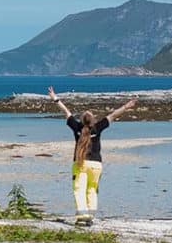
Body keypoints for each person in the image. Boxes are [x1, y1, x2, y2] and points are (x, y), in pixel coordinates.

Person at [48, 86, 137, 226]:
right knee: (92, 190)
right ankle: (90, 216)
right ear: (93, 120)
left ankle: (82, 215)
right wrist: (126, 106)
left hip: (80, 164)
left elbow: (66, 112)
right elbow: (114, 115)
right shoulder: (98, 127)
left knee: (79, 189)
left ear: (82, 121)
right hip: (96, 165)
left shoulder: (76, 127)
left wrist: (55, 98)